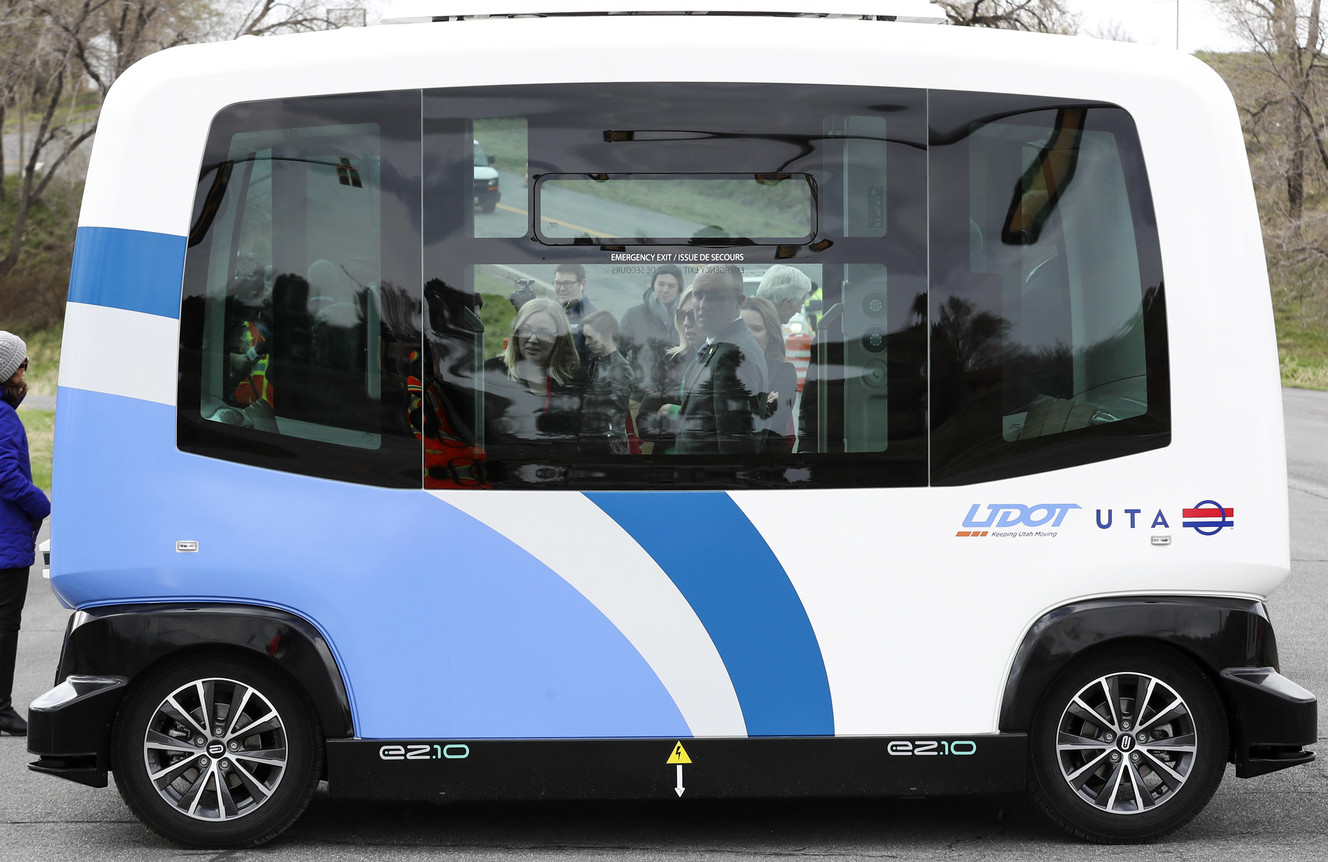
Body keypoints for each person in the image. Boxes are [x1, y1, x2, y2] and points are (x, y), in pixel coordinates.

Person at [0, 333, 50, 736]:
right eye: (22, 364)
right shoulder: (2, 417)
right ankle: (1, 710)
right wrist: (44, 505)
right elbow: (8, 479)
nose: (25, 371)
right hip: (4, 544)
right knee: (4, 626)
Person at [674, 264, 768, 454]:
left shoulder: (732, 357)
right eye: (698, 295)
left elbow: (737, 451)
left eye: (715, 297)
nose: (702, 305)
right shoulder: (724, 345)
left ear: (739, 302)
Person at [482, 298, 582, 449]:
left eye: (543, 332)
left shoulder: (576, 379)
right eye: (526, 330)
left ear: (560, 338)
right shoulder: (491, 372)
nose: (533, 339)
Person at [636, 287, 704, 454]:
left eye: (694, 315)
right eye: (682, 315)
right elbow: (643, 424)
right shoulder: (670, 360)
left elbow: (718, 429)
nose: (686, 323)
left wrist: (673, 413)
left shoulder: (726, 360)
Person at [741, 296, 797, 453]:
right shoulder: (724, 366)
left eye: (757, 329)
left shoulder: (784, 371)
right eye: (743, 328)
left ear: (771, 334)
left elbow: (774, 423)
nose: (748, 335)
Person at [579, 310, 636, 456]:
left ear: (607, 334)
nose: (586, 342)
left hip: (609, 447)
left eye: (590, 337)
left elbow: (618, 418)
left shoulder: (619, 369)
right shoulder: (597, 362)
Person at [620, 264, 684, 372]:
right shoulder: (633, 315)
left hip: (677, 387)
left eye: (671, 286)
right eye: (661, 284)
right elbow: (617, 354)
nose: (665, 290)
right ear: (653, 285)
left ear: (679, 289)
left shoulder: (687, 318)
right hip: (642, 387)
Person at [552, 263, 596, 360]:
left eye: (567, 283)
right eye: (558, 283)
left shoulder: (592, 319)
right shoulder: (552, 313)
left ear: (582, 284)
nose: (562, 289)